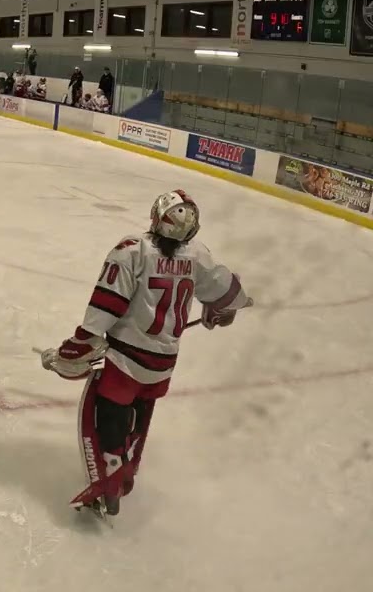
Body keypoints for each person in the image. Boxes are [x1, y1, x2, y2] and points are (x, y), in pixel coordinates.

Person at [40, 190, 252, 517]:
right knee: (140, 409)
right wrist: (219, 312)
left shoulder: (132, 251)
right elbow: (230, 296)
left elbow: (104, 311)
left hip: (127, 360)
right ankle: (128, 462)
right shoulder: (197, 254)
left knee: (108, 411)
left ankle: (112, 470)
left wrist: (70, 351)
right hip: (164, 364)